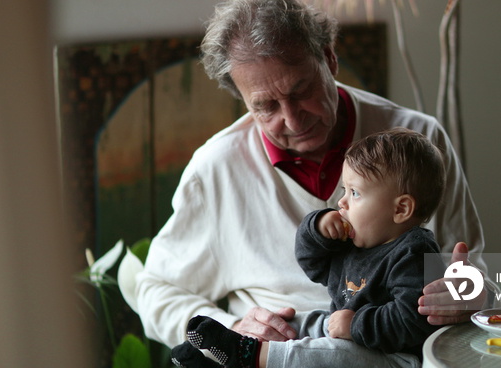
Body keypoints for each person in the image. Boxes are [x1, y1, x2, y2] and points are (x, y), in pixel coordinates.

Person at [135, 0, 496, 366]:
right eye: (266, 107)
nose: (292, 120)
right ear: (242, 100)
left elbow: (473, 278)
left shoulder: (421, 142)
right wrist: (233, 330)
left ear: (329, 58)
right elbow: (156, 289)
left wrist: (474, 296)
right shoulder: (215, 169)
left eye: (300, 90)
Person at [169, 129, 449, 368]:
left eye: (355, 193)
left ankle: (246, 356)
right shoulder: (360, 242)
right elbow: (313, 266)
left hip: (394, 357)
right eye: (343, 190)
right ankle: (223, 358)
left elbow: (412, 319)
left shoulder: (417, 252)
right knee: (299, 323)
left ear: (401, 208)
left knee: (335, 355)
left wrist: (355, 325)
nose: (342, 203)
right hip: (345, 331)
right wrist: (317, 230)